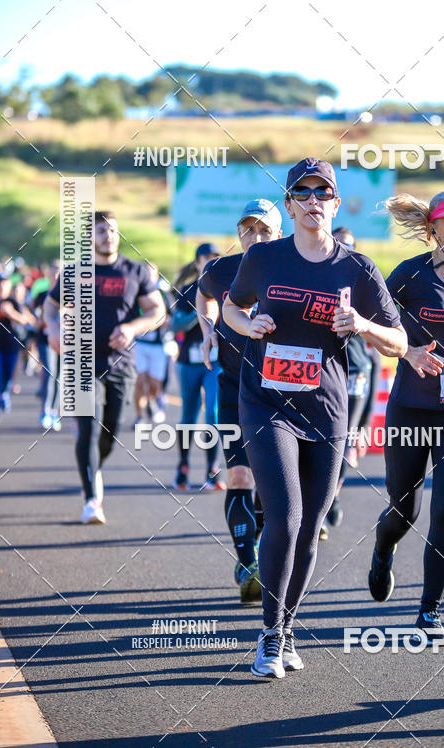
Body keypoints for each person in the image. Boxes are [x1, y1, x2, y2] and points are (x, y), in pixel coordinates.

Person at [223, 158, 406, 679]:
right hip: (266, 402)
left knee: (309, 530)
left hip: (326, 409)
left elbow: (399, 342)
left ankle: (287, 625)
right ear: (289, 204)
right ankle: (269, 636)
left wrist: (364, 323)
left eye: (320, 192)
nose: (311, 201)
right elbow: (231, 310)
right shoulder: (264, 259)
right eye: (300, 193)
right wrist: (247, 324)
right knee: (284, 515)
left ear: (335, 202)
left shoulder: (358, 269)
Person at [369, 190, 444, 645]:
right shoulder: (409, 275)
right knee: (405, 509)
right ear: (432, 228)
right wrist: (409, 350)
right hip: (410, 408)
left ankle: (429, 612)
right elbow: (378, 329)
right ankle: (383, 548)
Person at [45, 211, 165, 524]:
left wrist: (132, 328)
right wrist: (53, 330)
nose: (107, 235)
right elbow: (50, 305)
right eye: (100, 230)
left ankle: (92, 466)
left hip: (121, 365)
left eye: (112, 229)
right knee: (89, 427)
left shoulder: (135, 270)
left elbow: (157, 310)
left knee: (110, 431)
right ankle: (91, 501)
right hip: (80, 362)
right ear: (89, 238)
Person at [197, 198, 283, 603]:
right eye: (249, 229)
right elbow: (203, 294)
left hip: (281, 392)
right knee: (239, 477)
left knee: (271, 486)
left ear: (279, 233)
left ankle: (262, 550)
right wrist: (208, 330)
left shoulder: (292, 266)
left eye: (265, 230)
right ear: (239, 234)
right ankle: (248, 561)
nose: (256, 237)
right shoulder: (220, 269)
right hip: (233, 384)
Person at [325, 226, 375, 534]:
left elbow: (377, 348)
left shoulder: (366, 284)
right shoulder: (319, 278)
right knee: (323, 439)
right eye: (338, 244)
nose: (344, 250)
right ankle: (318, 497)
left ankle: (332, 496)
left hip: (356, 371)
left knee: (343, 441)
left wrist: (365, 429)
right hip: (324, 370)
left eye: (349, 245)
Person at [172, 244, 224, 492]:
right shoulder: (186, 290)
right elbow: (176, 326)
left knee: (213, 413)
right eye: (207, 257)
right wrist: (200, 313)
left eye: (216, 257)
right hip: (189, 362)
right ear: (197, 262)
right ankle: (182, 466)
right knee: (189, 416)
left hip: (215, 362)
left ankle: (212, 469)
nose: (212, 261)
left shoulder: (229, 289)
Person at [0, 274, 34, 420]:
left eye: (5, 283)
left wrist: (11, 313)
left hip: (11, 346)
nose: (2, 286)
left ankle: (4, 393)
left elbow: (24, 320)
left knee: (7, 376)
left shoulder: (13, 302)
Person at [133, 265, 172, 426]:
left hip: (157, 346)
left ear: (156, 276)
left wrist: (165, 322)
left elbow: (172, 315)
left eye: (151, 274)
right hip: (139, 344)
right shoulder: (135, 291)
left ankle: (151, 400)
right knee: (140, 381)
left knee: (155, 385)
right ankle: (140, 416)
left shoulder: (163, 294)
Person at [33, 262, 62, 430]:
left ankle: (54, 413)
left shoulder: (71, 294)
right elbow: (34, 314)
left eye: (59, 274)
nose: (56, 277)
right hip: (45, 340)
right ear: (49, 276)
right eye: (54, 273)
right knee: (50, 372)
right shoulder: (43, 295)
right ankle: (45, 411)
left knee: (59, 376)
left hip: (65, 341)